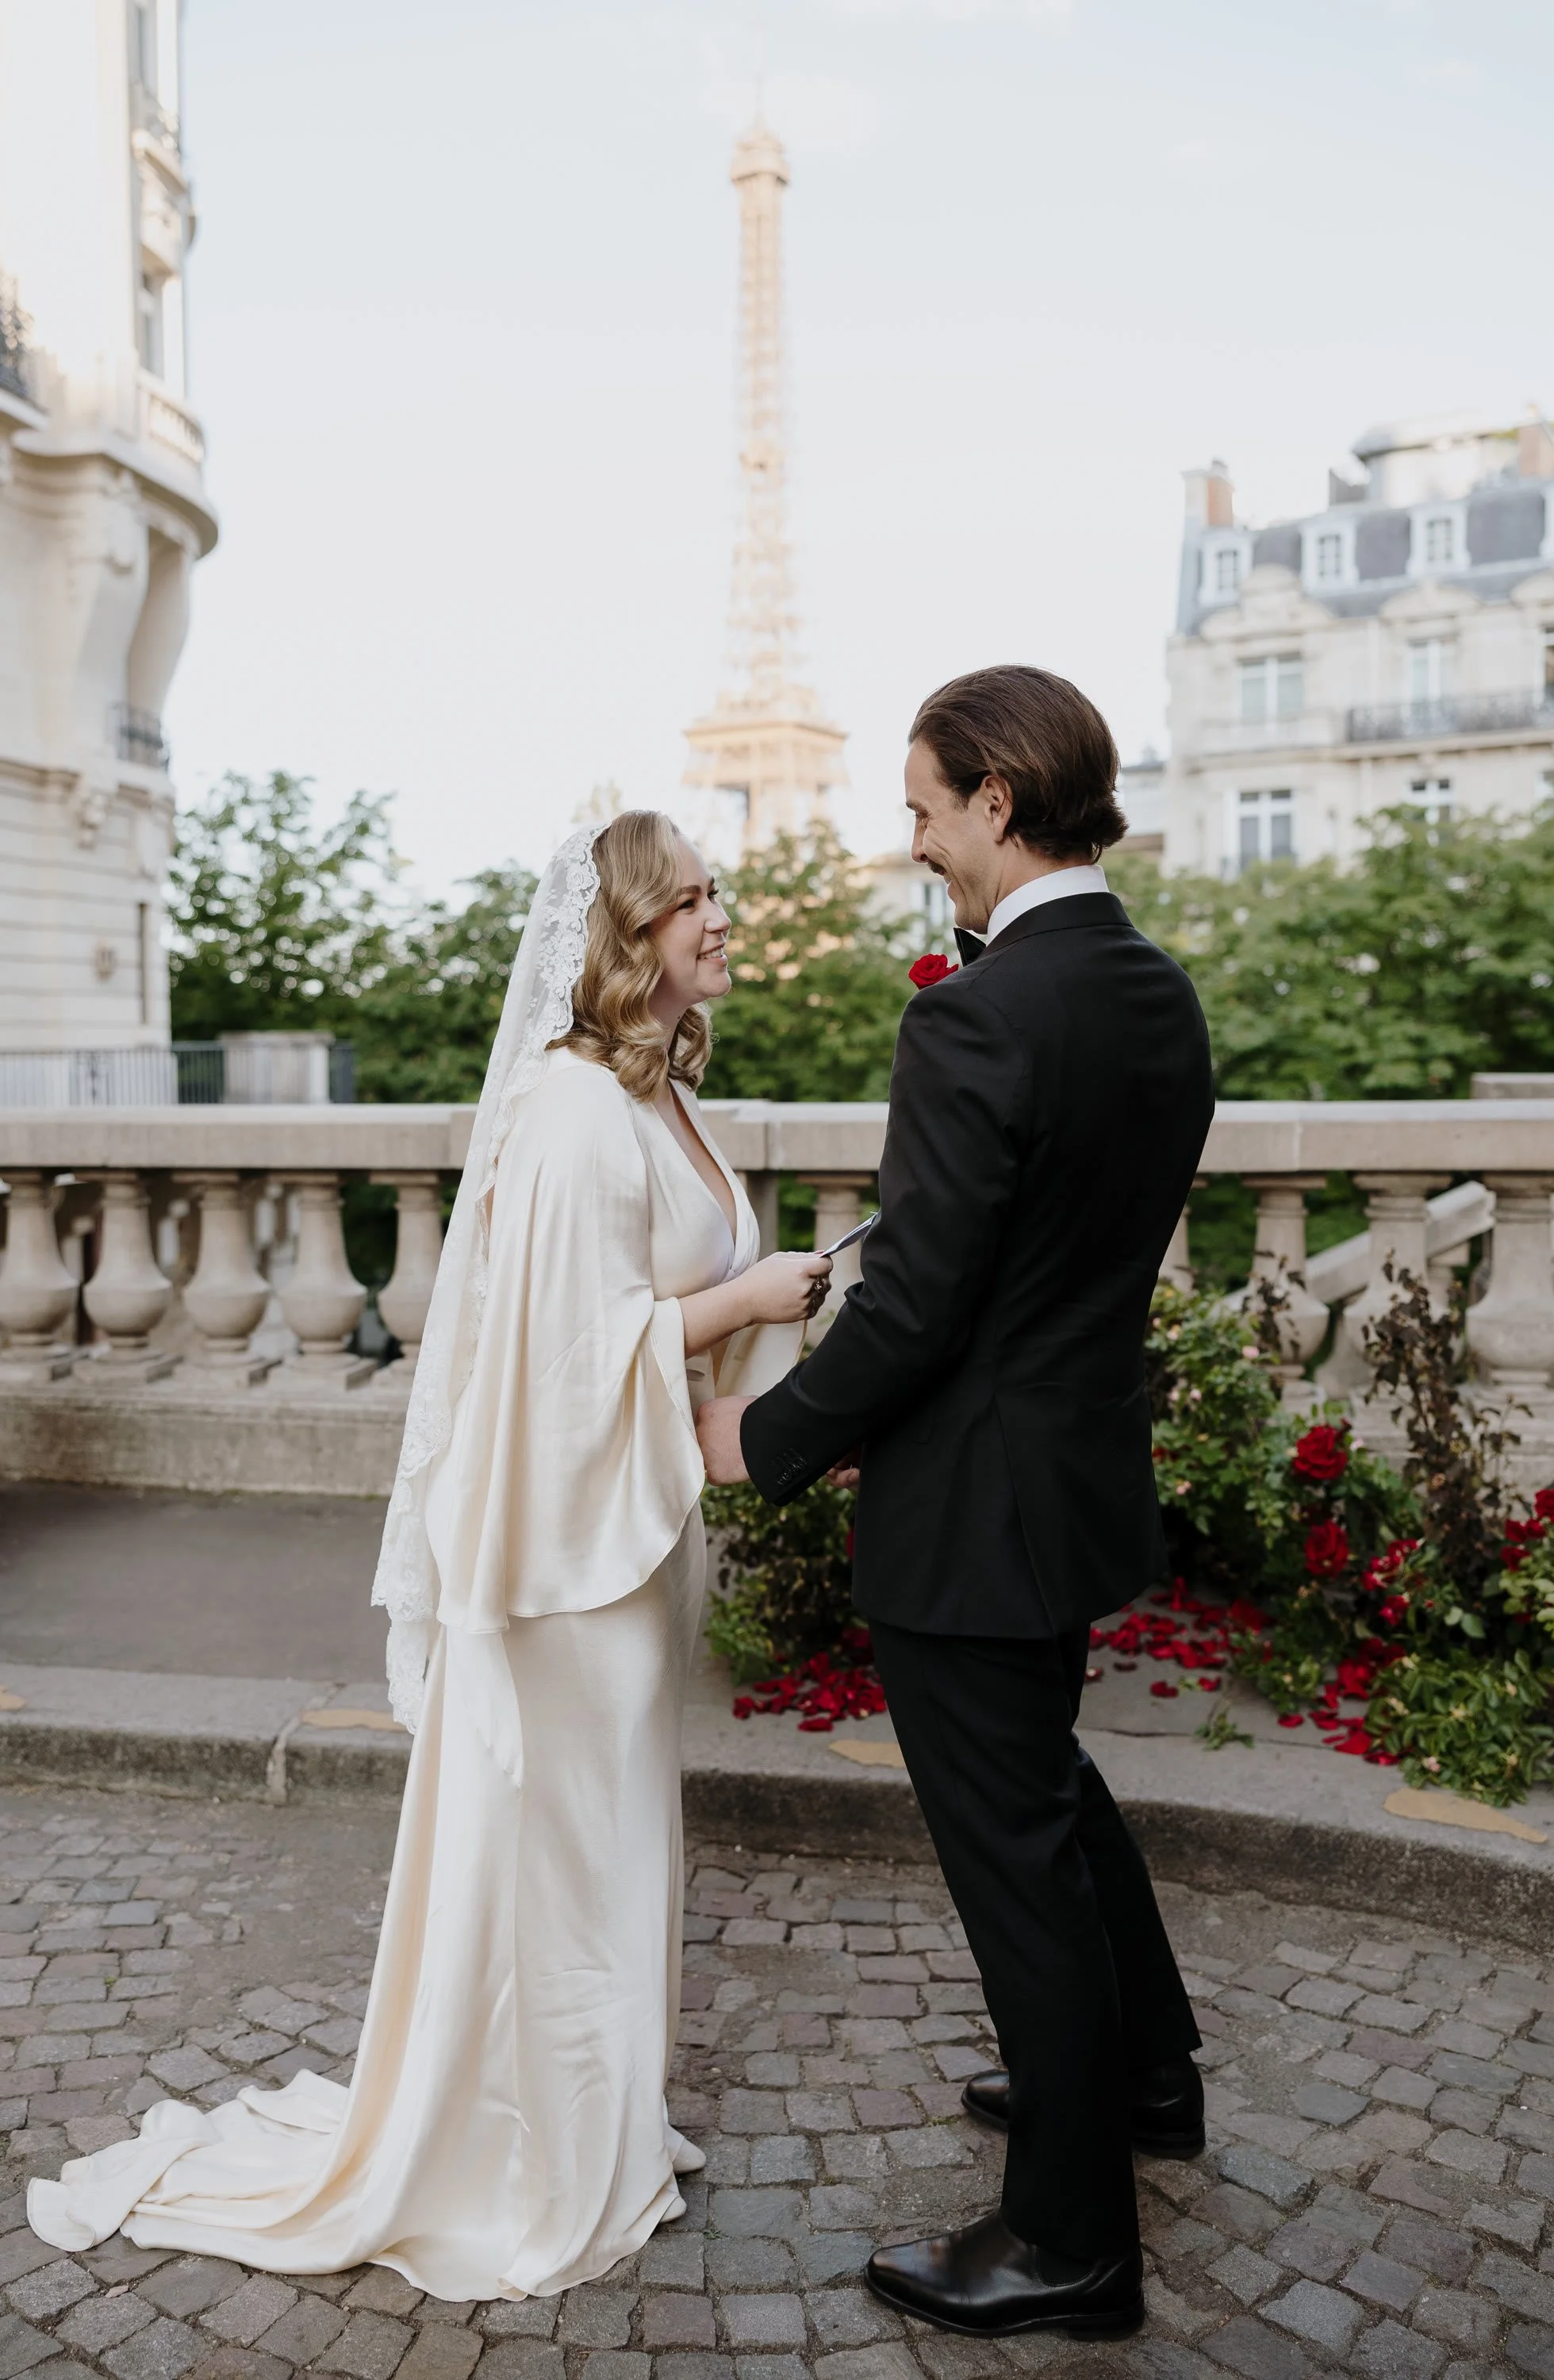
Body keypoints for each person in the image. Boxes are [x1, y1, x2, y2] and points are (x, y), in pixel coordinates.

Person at [28, 813, 831, 2300]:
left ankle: (602, 2122)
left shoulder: (662, 1092)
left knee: (614, 1843)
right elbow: (558, 1357)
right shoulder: (579, 1110)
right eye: (697, 900)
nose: (723, 919)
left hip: (632, 1530)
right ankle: (541, 2153)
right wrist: (753, 1300)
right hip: (567, 1562)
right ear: (630, 932)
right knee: (571, 1846)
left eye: (720, 895)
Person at [696, 666, 1215, 2344]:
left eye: (923, 810)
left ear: (999, 799)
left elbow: (915, 1307)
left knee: (1012, 1859)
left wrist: (759, 1444)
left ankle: (1069, 2243)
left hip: (973, 1510)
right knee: (1048, 1793)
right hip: (1069, 1482)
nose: (913, 843)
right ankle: (1145, 2079)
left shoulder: (977, 1013)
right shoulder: (1156, 990)